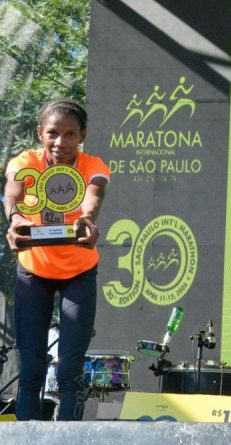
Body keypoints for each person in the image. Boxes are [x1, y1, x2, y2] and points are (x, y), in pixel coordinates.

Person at [4, 99, 110, 420]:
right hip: (34, 272)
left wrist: (88, 218)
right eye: (52, 133)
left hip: (79, 272)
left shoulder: (93, 164)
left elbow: (95, 193)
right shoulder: (26, 160)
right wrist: (15, 217)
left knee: (70, 372)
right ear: (40, 133)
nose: (60, 142)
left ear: (83, 135)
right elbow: (12, 191)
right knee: (31, 369)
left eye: (70, 134)